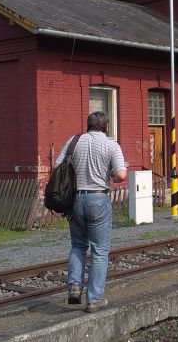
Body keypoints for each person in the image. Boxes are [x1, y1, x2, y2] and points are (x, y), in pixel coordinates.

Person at [56, 111, 127, 313]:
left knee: (78, 245)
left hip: (76, 200)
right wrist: (111, 174)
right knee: (99, 251)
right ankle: (94, 299)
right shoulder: (111, 144)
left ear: (87, 125)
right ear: (106, 127)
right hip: (98, 199)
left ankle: (74, 287)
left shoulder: (74, 141)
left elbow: (57, 166)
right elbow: (121, 174)